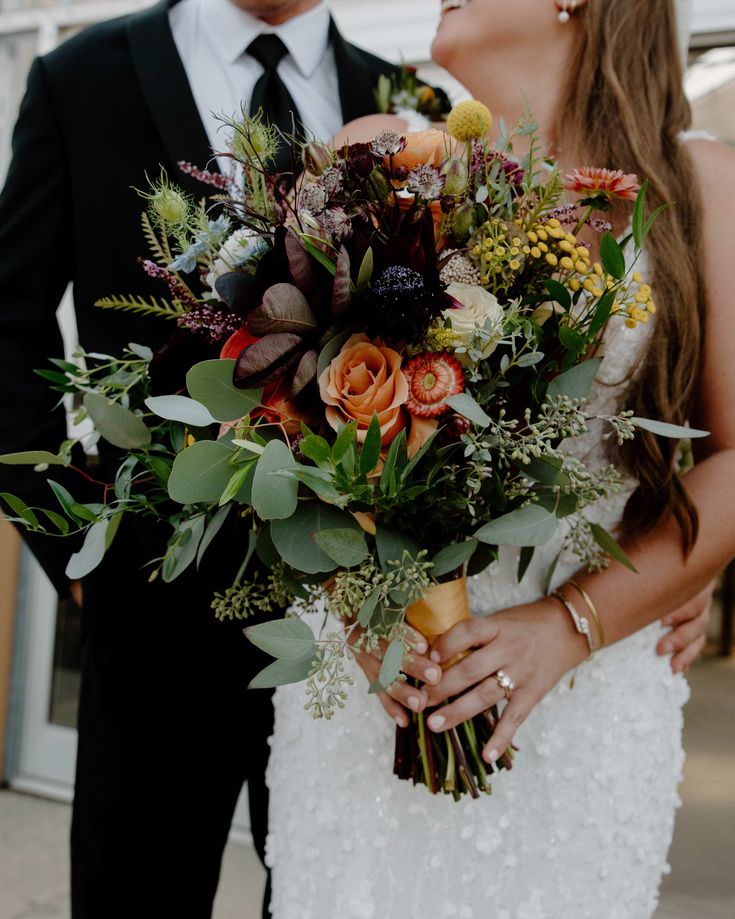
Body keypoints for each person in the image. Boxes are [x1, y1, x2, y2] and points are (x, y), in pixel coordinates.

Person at [264, 1, 735, 916]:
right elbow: (271, 424)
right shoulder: (370, 157)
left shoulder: (703, 186)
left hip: (587, 701)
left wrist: (573, 622)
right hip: (379, 694)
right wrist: (354, 606)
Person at [0, 2, 424, 916]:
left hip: (350, 628)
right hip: (149, 606)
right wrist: (77, 547)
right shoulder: (81, 77)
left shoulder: (397, 96)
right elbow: (7, 331)